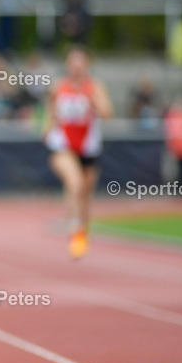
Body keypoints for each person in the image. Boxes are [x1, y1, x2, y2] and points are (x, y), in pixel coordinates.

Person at [44, 48, 113, 259]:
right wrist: (46, 128)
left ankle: (81, 231)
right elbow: (50, 112)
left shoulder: (95, 87)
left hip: (88, 148)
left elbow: (107, 114)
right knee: (74, 183)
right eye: (73, 62)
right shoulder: (58, 87)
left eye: (80, 62)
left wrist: (93, 99)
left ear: (87, 64)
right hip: (63, 145)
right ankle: (74, 228)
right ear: (67, 64)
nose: (76, 66)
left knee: (84, 196)